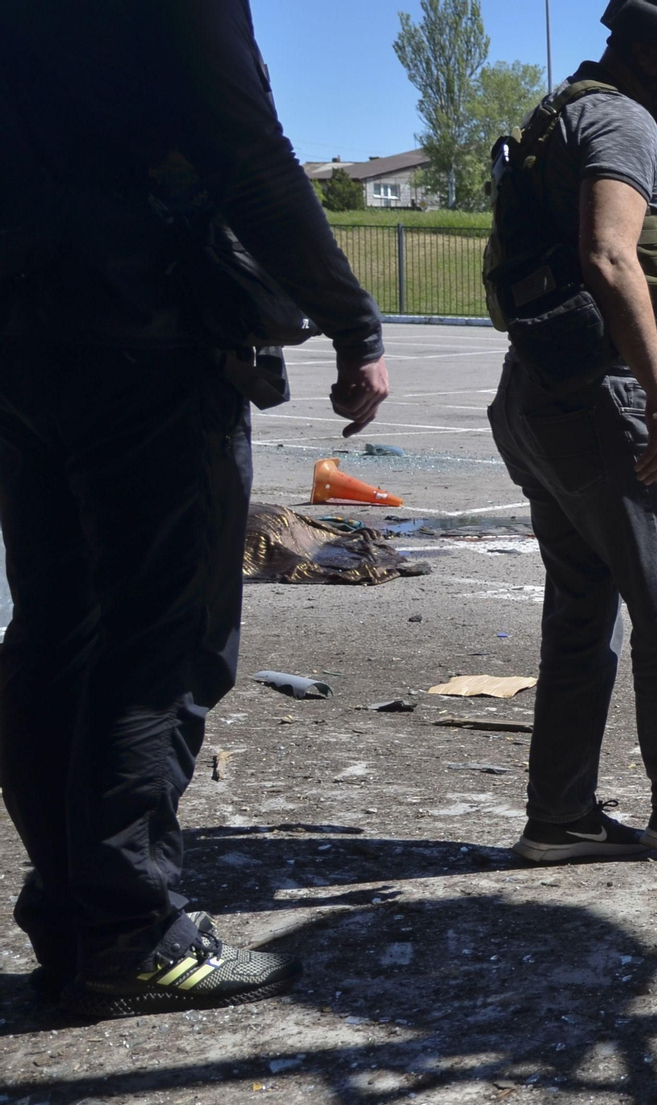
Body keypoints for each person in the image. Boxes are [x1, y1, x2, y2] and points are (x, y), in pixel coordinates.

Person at [0, 1, 389, 1017]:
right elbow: (248, 153)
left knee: (54, 630)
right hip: (150, 346)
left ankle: (73, 918)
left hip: (26, 343)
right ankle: (132, 932)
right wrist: (352, 322)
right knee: (160, 639)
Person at [484, 0, 657, 862]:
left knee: (581, 611)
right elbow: (609, 255)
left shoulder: (564, 112)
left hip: (541, 396)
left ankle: (560, 814)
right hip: (603, 402)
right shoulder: (621, 121)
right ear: (651, 49)